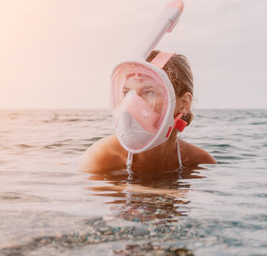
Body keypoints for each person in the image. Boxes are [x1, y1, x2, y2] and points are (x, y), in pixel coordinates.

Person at [79, 50, 216, 176]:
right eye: (127, 93)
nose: (131, 104)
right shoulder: (102, 157)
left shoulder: (198, 162)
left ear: (184, 104)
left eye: (149, 92)